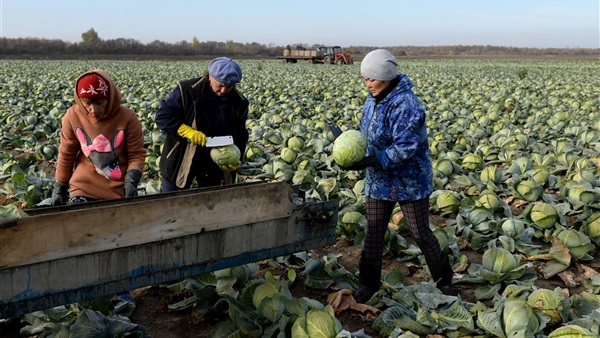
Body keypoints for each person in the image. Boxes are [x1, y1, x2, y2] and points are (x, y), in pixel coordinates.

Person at [344, 49, 455, 303]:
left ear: (385, 77)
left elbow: (405, 148)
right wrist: (356, 154)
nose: (367, 83)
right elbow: (367, 134)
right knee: (374, 232)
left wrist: (374, 158)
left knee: (419, 232)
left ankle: (445, 280)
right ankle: (369, 283)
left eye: (371, 79)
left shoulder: (407, 105)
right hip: (379, 180)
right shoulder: (373, 98)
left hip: (409, 181)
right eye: (365, 79)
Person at [52, 69, 147, 206]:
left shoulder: (127, 118)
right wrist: (60, 187)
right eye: (87, 104)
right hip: (83, 188)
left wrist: (131, 181)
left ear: (110, 98)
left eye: (99, 103)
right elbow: (67, 153)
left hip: (118, 189)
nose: (93, 110)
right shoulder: (72, 116)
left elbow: (136, 154)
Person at [154, 57, 249, 191]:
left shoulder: (239, 102)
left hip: (214, 158)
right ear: (210, 76)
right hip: (182, 155)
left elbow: (241, 134)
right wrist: (186, 131)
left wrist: (237, 155)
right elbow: (163, 116)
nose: (223, 91)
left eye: (229, 87)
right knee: (172, 202)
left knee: (210, 204)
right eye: (220, 85)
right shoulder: (187, 90)